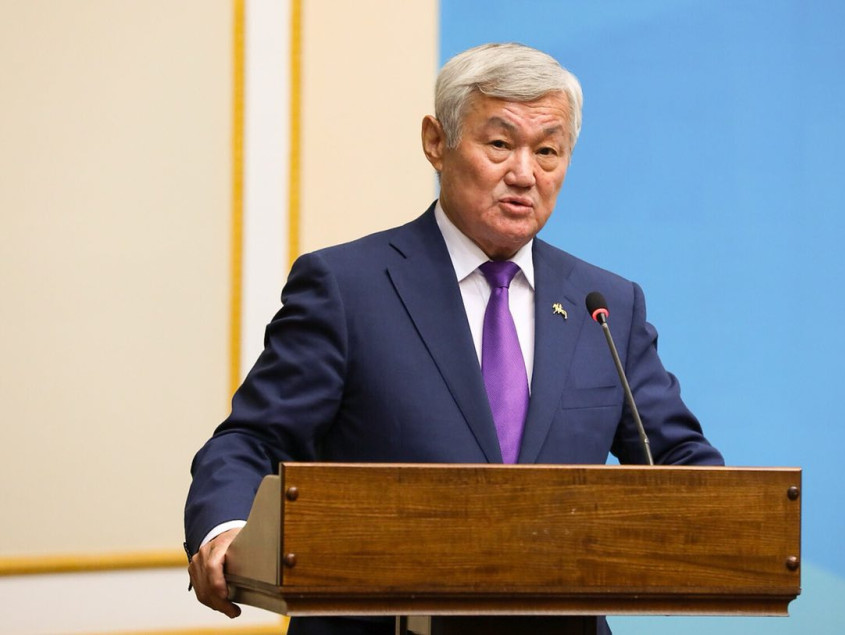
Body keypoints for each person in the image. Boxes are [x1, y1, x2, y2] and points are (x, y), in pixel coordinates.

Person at [185, 42, 723, 634]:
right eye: (500, 144)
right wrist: (226, 528)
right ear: (436, 142)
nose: (524, 174)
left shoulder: (605, 307)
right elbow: (253, 438)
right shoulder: (347, 288)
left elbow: (678, 459)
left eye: (548, 151)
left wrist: (727, 520)